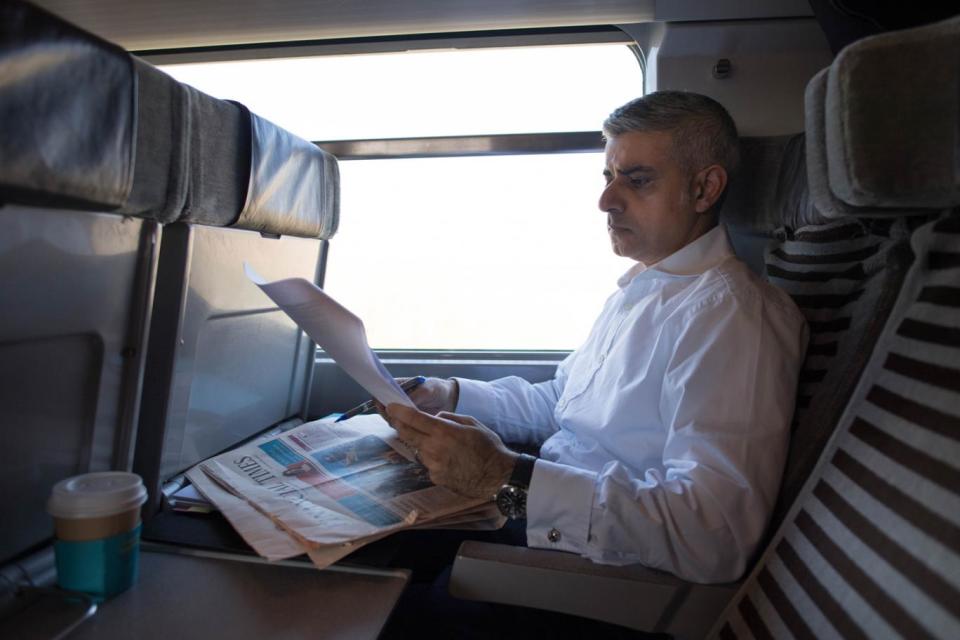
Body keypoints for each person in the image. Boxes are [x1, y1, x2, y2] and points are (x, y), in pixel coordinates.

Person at [383, 90, 808, 585]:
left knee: (390, 579)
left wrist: (506, 477)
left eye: (637, 180)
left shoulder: (734, 318)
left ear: (704, 189)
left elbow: (712, 534)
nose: (605, 200)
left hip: (594, 572)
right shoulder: (644, 289)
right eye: (608, 176)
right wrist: (449, 395)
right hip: (543, 512)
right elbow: (564, 402)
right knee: (367, 537)